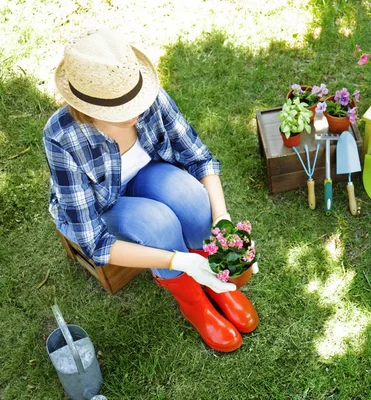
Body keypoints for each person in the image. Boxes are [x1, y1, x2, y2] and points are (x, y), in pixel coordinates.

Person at [43, 28, 258, 352]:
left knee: (192, 200)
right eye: (121, 110)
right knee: (157, 223)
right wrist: (180, 261)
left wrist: (222, 218)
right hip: (100, 207)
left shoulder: (146, 95)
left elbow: (199, 157)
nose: (138, 110)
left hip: (145, 174)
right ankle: (195, 304)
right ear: (89, 110)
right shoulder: (61, 137)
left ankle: (215, 282)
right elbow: (94, 242)